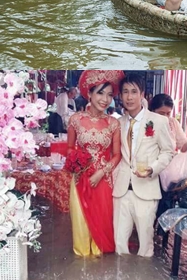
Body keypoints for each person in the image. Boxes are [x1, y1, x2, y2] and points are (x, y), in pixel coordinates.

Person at [113, 73, 174, 258]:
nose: (129, 97)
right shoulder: (117, 123)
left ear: (143, 95)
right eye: (125, 92)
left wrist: (152, 169)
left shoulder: (158, 121)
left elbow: (168, 152)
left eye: (134, 91)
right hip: (121, 189)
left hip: (146, 189)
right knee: (119, 244)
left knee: (145, 247)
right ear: (120, 96)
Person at [68, 70, 124, 256]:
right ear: (89, 93)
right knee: (81, 220)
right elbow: (69, 148)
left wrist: (101, 172)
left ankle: (97, 260)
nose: (105, 99)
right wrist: (78, 164)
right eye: (100, 93)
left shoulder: (113, 123)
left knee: (101, 220)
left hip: (103, 178)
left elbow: (117, 155)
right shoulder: (75, 119)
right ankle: (82, 256)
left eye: (109, 95)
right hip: (80, 177)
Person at [148, 94, 187, 186]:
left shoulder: (173, 123)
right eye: (161, 113)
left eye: (168, 113)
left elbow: (183, 148)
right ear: (152, 111)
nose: (165, 117)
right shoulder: (147, 124)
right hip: (151, 172)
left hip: (169, 174)